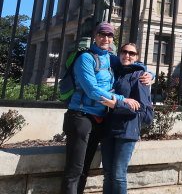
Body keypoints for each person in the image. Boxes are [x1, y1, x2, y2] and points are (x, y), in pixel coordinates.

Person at [60, 22, 151, 194]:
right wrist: (123, 99)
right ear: (95, 36)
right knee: (74, 170)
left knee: (84, 170)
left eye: (109, 36)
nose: (106, 38)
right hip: (80, 117)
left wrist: (149, 73)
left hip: (98, 120)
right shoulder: (85, 58)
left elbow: (131, 63)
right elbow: (92, 90)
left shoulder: (110, 58)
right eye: (102, 34)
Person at [99, 43, 153, 194]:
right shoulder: (114, 71)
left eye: (131, 53)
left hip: (127, 130)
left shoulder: (139, 76)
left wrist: (116, 104)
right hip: (108, 128)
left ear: (136, 57)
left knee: (118, 175)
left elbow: (141, 107)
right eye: (124, 52)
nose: (127, 55)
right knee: (108, 174)